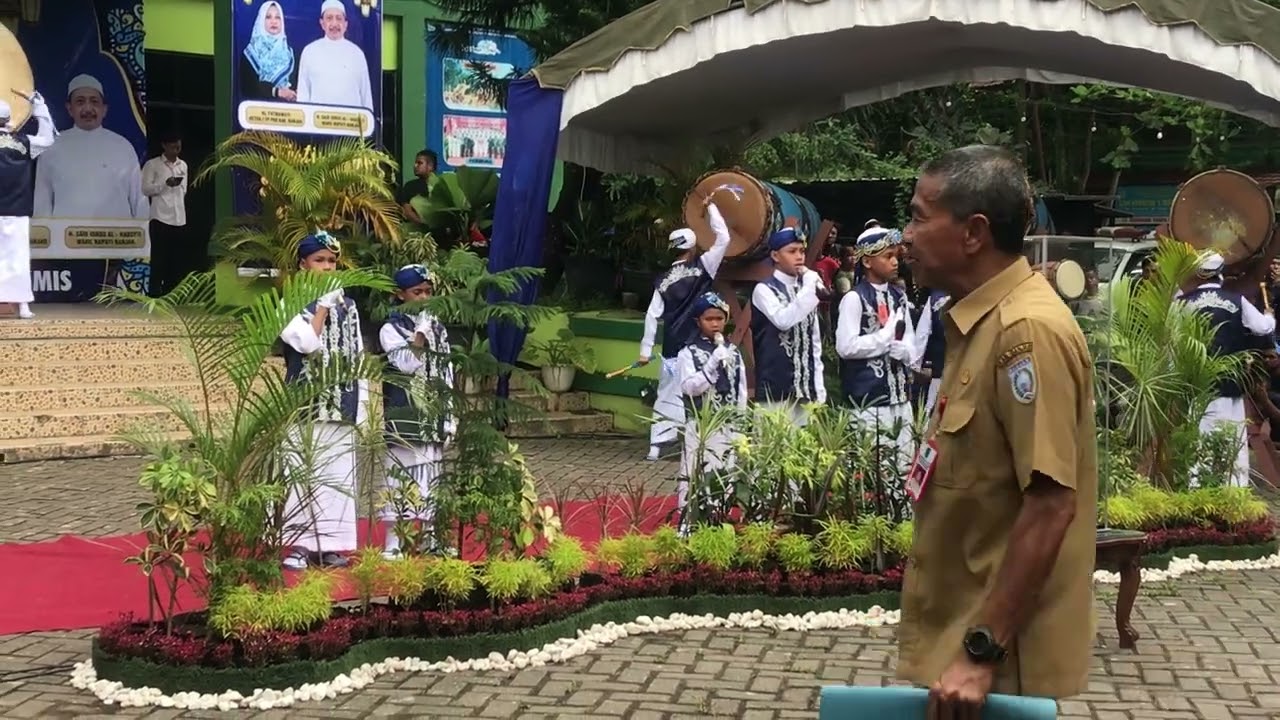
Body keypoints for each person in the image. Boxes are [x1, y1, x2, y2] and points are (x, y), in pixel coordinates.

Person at [897, 145, 1098, 707]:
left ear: (973, 232)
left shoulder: (1026, 332)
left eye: (917, 215)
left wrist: (981, 652)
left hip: (997, 670)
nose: (905, 236)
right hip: (963, 647)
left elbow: (1052, 502)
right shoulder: (980, 324)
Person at [279, 231, 366, 569]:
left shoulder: (349, 306)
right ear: (304, 264)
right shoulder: (290, 301)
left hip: (340, 400)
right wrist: (322, 308)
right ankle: (300, 544)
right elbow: (305, 343)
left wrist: (361, 406)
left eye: (332, 261)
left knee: (338, 473)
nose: (328, 267)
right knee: (304, 471)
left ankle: (330, 545)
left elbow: (356, 353)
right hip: (305, 403)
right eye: (320, 260)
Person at [637, 199, 731, 461]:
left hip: (671, 347)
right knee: (704, 392)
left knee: (667, 394)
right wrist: (712, 206)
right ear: (692, 247)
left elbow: (651, 316)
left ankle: (656, 446)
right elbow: (723, 238)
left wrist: (645, 351)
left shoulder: (662, 280)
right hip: (698, 345)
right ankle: (704, 442)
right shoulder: (704, 266)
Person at [835, 225, 916, 511]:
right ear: (867, 261)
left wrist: (903, 349)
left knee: (903, 463)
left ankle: (903, 525)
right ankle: (872, 525)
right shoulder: (854, 299)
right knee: (871, 468)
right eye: (888, 256)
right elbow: (845, 346)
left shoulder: (899, 297)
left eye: (896, 256)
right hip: (868, 399)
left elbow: (911, 344)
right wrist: (883, 340)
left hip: (899, 398)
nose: (895, 261)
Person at [1180, 251, 1275, 487]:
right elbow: (1263, 328)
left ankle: (1198, 488)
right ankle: (1234, 490)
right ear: (1221, 273)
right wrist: (1269, 316)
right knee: (1233, 437)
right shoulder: (1236, 301)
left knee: (1200, 438)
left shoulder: (1183, 303)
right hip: (1230, 384)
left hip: (1198, 385)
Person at [379, 263, 455, 558]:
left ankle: (430, 538)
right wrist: (420, 335)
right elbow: (407, 365)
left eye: (428, 291)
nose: (424, 297)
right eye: (417, 292)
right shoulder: (391, 328)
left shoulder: (438, 328)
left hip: (432, 414)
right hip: (404, 415)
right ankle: (393, 542)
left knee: (432, 476)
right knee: (399, 476)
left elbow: (446, 373)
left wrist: (449, 417)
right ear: (401, 294)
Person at [675, 291, 748, 528]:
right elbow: (689, 387)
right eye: (709, 319)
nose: (715, 323)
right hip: (702, 427)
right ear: (698, 321)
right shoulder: (688, 353)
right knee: (697, 471)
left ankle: (719, 519)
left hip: (728, 424)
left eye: (719, 318)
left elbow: (741, 389)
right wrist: (711, 365)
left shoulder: (733, 352)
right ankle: (690, 521)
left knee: (724, 472)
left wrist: (741, 421)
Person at [33, 74, 147, 219]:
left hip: (117, 238)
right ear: (69, 109)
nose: (88, 108)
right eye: (80, 102)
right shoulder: (52, 146)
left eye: (94, 102)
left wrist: (144, 236)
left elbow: (139, 201)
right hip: (66, 237)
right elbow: (42, 202)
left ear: (104, 109)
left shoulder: (123, 146)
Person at [750, 226, 826, 424]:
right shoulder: (764, 290)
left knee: (804, 450)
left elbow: (814, 343)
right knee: (773, 451)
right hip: (774, 390)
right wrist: (809, 286)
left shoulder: (806, 289)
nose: (799, 257)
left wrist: (819, 387)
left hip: (805, 390)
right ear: (775, 255)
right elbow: (783, 320)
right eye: (792, 251)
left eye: (802, 251)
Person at [0, 92, 56, 319]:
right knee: (18, 260)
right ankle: (23, 306)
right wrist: (40, 109)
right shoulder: (24, 143)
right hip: (17, 211)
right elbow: (49, 138)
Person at [296, 0, 374, 111]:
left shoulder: (357, 54)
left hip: (350, 124)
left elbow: (366, 97)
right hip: (318, 124)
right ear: (322, 23)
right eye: (329, 18)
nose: (334, 24)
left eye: (339, 18)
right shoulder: (309, 51)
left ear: (346, 24)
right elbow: (303, 95)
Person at [140, 131, 188, 296]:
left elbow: (184, 190)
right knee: (159, 257)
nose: (177, 148)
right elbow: (145, 189)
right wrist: (163, 184)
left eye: (179, 145)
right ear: (164, 146)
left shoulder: (183, 165)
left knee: (176, 259)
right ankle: (154, 293)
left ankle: (172, 293)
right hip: (160, 217)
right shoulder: (153, 165)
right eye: (173, 145)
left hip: (179, 218)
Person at [240, 0, 297, 101]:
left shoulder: (291, 55)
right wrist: (276, 92)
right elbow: (247, 88)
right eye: (268, 17)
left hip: (287, 113)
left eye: (277, 17)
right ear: (261, 20)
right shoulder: (250, 53)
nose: (273, 21)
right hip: (257, 112)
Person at [911, 288, 950, 418]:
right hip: (942, 365)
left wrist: (916, 366)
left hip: (943, 366)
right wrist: (916, 366)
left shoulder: (936, 297)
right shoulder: (936, 298)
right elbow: (922, 333)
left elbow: (922, 334)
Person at [396, 149, 438, 224]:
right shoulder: (410, 186)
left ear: (430, 166)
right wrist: (424, 225)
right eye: (415, 163)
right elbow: (407, 211)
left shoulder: (440, 185)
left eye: (419, 163)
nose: (415, 166)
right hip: (415, 231)